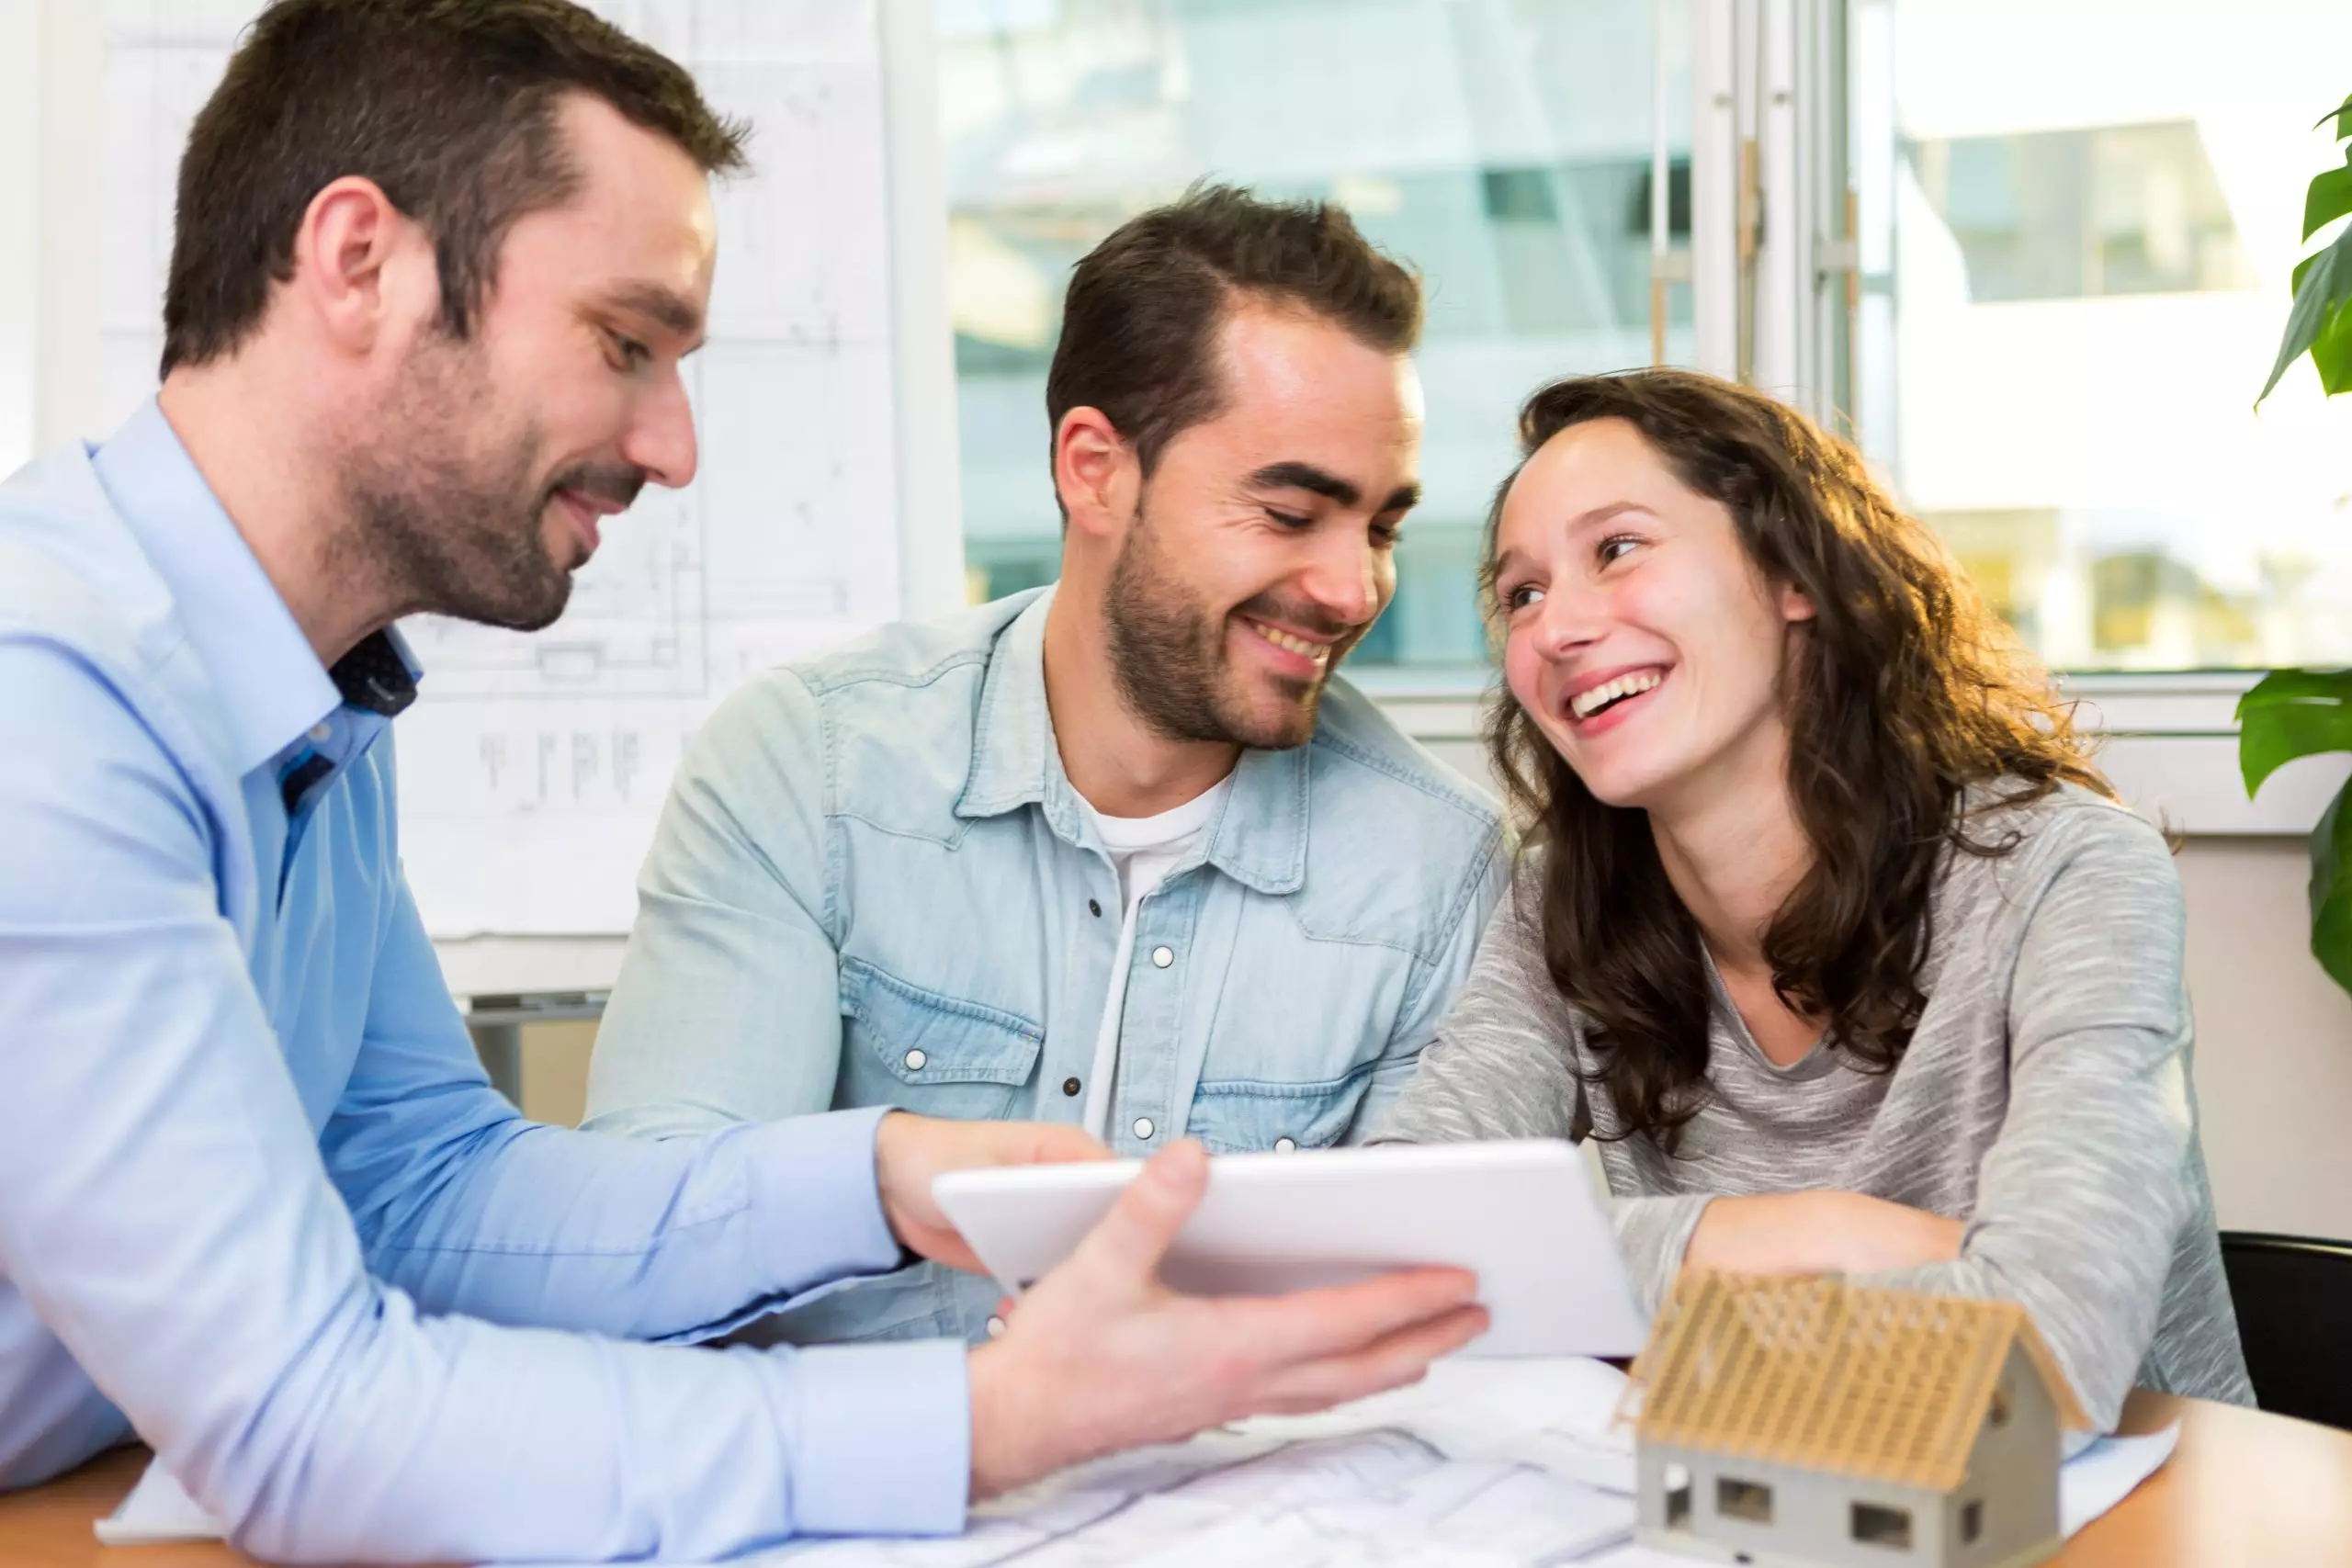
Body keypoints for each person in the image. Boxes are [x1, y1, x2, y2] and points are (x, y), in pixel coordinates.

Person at [0, 4, 1488, 1560]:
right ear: (360, 263)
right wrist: (993, 1422)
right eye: (625, 343)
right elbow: (306, 1421)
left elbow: (429, 1189)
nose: (674, 444)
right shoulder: (48, 694)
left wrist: (879, 1176)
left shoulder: (316, 717)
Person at [582, 186, 1509, 1345]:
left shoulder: (1434, 873)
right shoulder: (806, 770)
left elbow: (1411, 1324)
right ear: (1094, 470)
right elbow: (656, 1239)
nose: (1351, 588)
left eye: (1379, 528)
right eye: (1286, 513)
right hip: (851, 1503)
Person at [1374, 368, 2253, 1429]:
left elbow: (2050, 1346)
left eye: (1616, 549)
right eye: (1520, 594)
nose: (1556, 627)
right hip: (1775, 1495)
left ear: (1793, 571)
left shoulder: (2069, 872)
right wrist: (1803, 1235)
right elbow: (1402, 1250)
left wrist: (1584, 1276)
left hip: (2123, 1513)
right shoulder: (1561, 899)